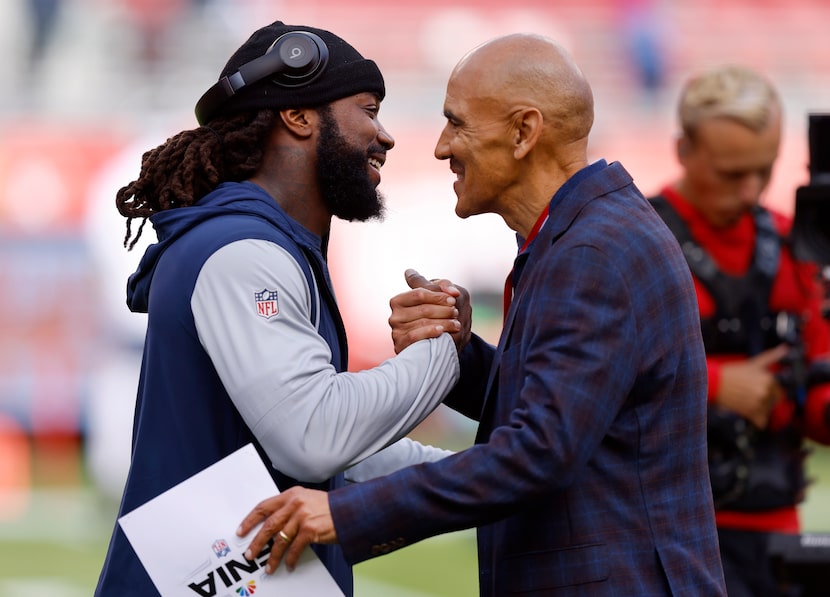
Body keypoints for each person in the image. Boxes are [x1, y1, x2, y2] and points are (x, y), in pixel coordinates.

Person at [235, 32, 727, 596]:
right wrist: (458, 351)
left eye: (457, 123)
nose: (442, 147)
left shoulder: (592, 250)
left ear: (524, 132)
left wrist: (345, 513)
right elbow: (571, 404)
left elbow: (539, 451)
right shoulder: (577, 234)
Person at [94, 20, 466, 597]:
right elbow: (314, 434)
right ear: (298, 116)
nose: (385, 136)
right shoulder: (243, 253)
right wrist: (441, 348)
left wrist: (489, 476)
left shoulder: (259, 245)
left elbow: (331, 463)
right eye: (368, 109)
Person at [647, 65, 830, 596]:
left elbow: (818, 398)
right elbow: (593, 382)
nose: (750, 191)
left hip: (775, 535)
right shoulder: (638, 240)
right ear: (683, 150)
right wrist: (715, 384)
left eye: (764, 170)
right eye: (731, 174)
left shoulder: (803, 245)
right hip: (664, 531)